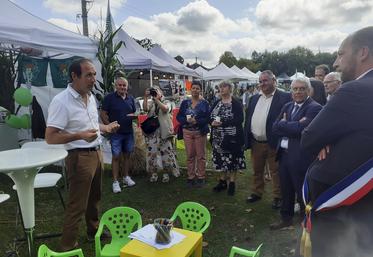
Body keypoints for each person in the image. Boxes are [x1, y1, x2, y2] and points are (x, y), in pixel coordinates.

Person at [301, 26, 373, 257]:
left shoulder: (354, 91)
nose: (335, 62)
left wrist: (325, 138)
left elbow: (309, 138)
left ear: (362, 53)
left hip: (344, 213)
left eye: (341, 54)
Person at [45, 58, 120, 251]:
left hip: (96, 153)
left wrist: (105, 127)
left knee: (95, 198)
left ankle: (93, 231)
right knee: (77, 204)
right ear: (74, 76)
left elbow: (92, 127)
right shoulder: (61, 101)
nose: (93, 79)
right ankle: (67, 246)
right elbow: (50, 137)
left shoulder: (90, 97)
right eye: (88, 75)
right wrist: (79, 135)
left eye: (94, 74)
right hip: (79, 157)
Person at [271, 77, 322, 230]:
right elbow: (274, 127)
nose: (298, 92)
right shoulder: (287, 105)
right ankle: (285, 218)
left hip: (300, 158)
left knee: (302, 191)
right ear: (291, 90)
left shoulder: (314, 107)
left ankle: (305, 222)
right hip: (284, 155)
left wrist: (284, 124)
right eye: (295, 89)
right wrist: (290, 125)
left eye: (301, 88)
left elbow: (302, 130)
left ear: (308, 90)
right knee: (285, 189)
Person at [244, 70, 291, 208]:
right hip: (256, 142)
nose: (262, 84)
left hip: (274, 142)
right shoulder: (254, 99)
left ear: (273, 80)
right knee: (257, 169)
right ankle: (256, 192)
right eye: (260, 81)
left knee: (276, 171)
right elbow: (248, 119)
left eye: (265, 80)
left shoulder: (285, 97)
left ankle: (278, 196)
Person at [100, 77, 136, 194]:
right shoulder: (109, 98)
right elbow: (103, 113)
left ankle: (126, 177)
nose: (122, 87)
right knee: (115, 157)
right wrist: (108, 125)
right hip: (116, 134)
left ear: (127, 87)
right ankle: (115, 182)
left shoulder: (131, 98)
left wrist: (136, 117)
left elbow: (134, 112)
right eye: (120, 85)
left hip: (128, 132)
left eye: (124, 85)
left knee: (127, 156)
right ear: (116, 86)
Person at [210, 81, 245, 196]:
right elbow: (209, 117)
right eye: (220, 87)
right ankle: (222, 182)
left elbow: (239, 119)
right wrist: (212, 122)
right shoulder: (217, 102)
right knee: (220, 159)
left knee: (232, 160)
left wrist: (222, 123)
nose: (222, 89)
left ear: (230, 89)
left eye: (224, 86)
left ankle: (232, 183)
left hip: (232, 137)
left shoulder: (236, 103)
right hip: (218, 138)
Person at [142, 86, 179, 183]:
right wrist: (146, 97)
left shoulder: (167, 102)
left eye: (156, 91)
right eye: (153, 91)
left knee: (165, 153)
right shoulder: (151, 103)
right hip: (152, 133)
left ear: (161, 92)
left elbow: (165, 109)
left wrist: (157, 100)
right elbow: (145, 109)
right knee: (152, 154)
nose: (154, 93)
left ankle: (166, 173)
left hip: (164, 132)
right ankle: (154, 173)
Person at [176, 81, 210, 187]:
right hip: (187, 132)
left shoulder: (205, 104)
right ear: (191, 90)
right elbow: (179, 116)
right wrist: (186, 121)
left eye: (197, 88)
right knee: (190, 155)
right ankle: (190, 176)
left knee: (201, 155)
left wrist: (197, 121)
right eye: (193, 88)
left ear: (200, 90)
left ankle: (201, 177)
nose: (195, 90)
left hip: (200, 132)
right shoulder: (185, 103)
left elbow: (208, 118)